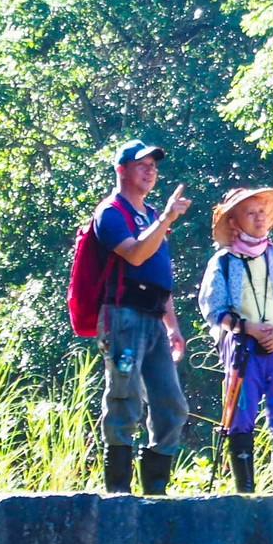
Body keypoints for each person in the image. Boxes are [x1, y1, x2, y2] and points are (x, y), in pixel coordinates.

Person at [92, 138, 192, 495]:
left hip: (153, 320)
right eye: (141, 165)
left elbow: (159, 275)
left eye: (153, 166)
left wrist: (173, 327)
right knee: (125, 397)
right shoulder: (110, 213)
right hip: (123, 319)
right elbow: (135, 255)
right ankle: (118, 494)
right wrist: (166, 219)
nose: (150, 171)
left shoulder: (151, 216)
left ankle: (155, 493)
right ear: (122, 170)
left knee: (172, 406)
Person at [198, 186, 273, 494]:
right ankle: (245, 491)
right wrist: (248, 328)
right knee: (240, 412)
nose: (259, 218)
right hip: (243, 347)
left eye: (262, 212)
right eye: (250, 213)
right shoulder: (223, 262)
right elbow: (214, 308)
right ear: (234, 221)